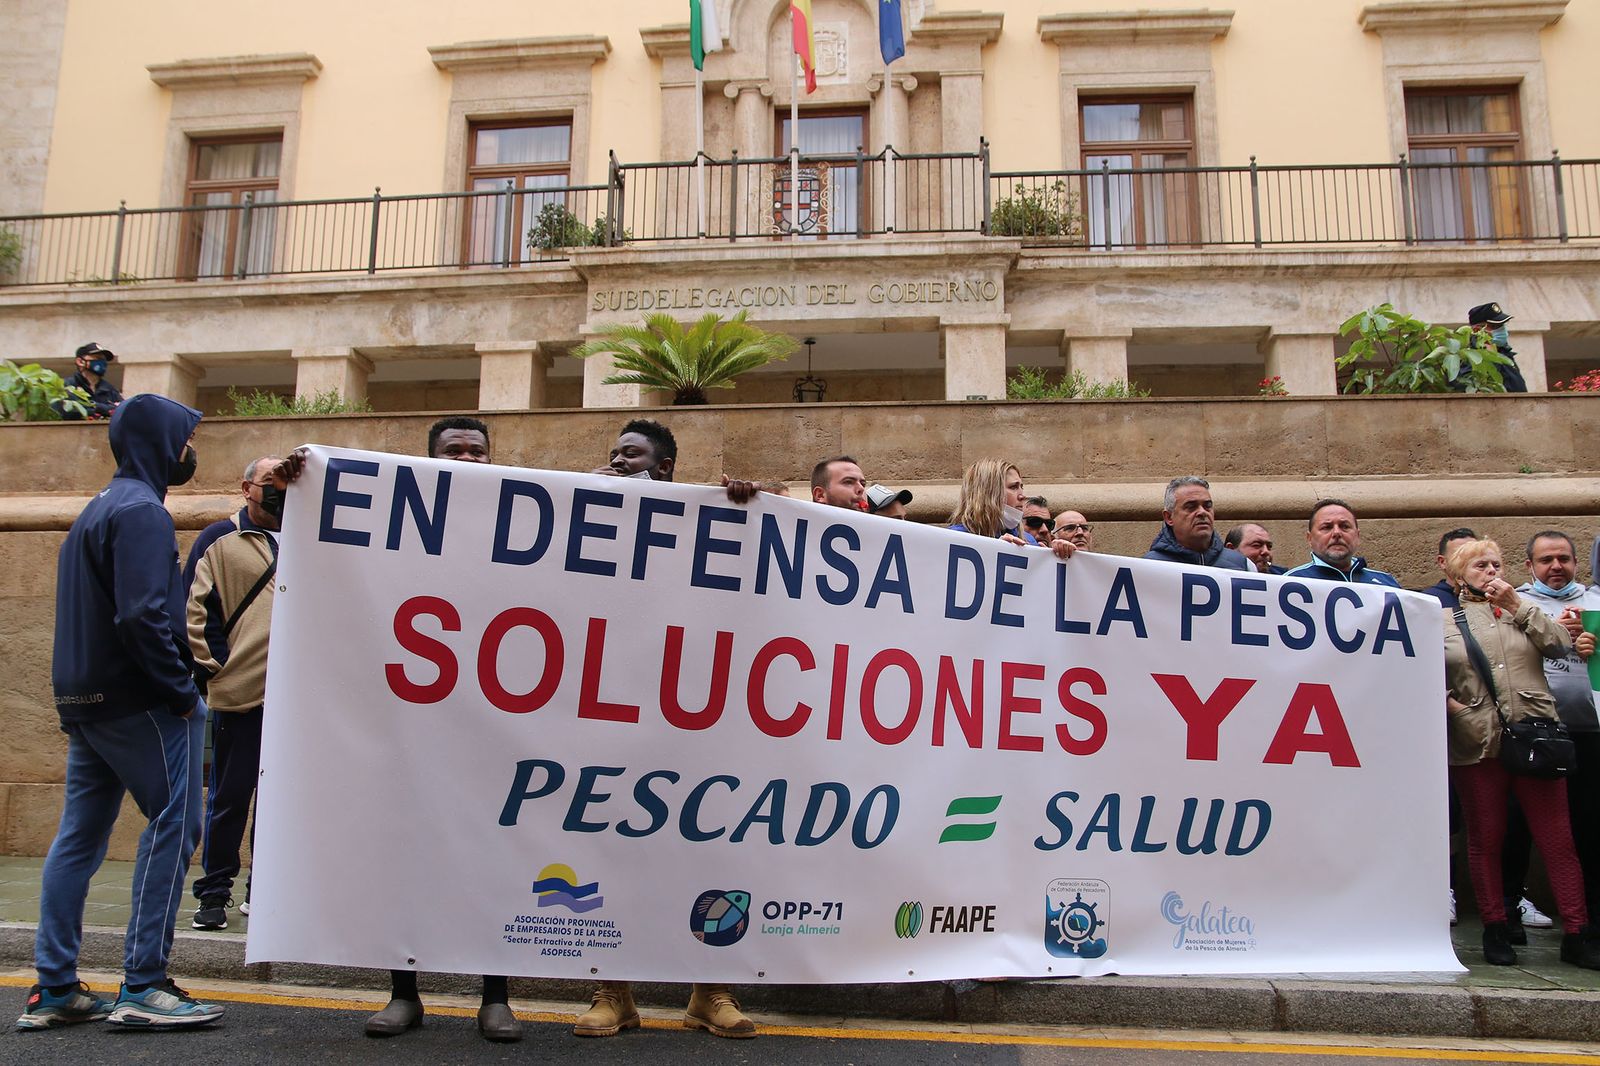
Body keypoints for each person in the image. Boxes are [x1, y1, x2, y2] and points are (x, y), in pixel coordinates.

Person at [18, 394, 223, 1030]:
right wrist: (181, 693)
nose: (190, 451)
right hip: (142, 701)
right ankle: (144, 984)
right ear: (161, 443)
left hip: (86, 700)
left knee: (79, 837)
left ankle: (55, 987)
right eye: (185, 439)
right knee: (174, 825)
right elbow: (141, 615)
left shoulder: (99, 508)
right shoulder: (143, 512)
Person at [574, 417, 759, 1040]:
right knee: (614, 851)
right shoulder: (589, 515)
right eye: (613, 454)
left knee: (712, 851)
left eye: (632, 455)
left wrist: (751, 504)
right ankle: (614, 991)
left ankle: (711, 991)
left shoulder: (709, 522)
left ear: (667, 469)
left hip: (698, 722)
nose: (618, 463)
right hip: (618, 716)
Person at [1443, 538, 1599, 968]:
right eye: (1480, 565)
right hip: (1479, 742)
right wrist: (1455, 709)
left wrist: (1517, 604)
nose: (1491, 572)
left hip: (1537, 737)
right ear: (1458, 575)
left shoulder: (1522, 609)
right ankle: (1495, 927)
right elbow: (1420, 674)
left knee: (1557, 839)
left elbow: (1559, 645)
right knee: (1486, 838)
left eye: (1496, 564)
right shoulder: (1442, 621)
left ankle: (1578, 932)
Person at [183, 456, 282, 933]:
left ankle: (262, 891)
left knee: (279, 802)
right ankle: (213, 893)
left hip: (296, 701)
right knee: (230, 797)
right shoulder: (219, 538)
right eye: (269, 482)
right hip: (242, 696)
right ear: (247, 488)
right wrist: (218, 670)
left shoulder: (312, 538)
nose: (279, 491)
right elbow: (194, 611)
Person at [1515, 532, 1600, 924]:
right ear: (1529, 565)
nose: (1556, 567)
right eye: (1546, 560)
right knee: (1523, 826)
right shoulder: (1517, 603)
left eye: (1564, 559)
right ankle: (1516, 904)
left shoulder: (1595, 601)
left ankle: (1590, 916)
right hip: (1539, 732)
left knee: (1590, 825)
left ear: (1576, 563)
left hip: (1592, 733)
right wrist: (1552, 632)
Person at [949, 460, 1074, 559]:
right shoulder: (954, 539)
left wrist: (1059, 555)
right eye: (1013, 487)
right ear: (988, 493)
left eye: (1021, 487)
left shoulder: (1028, 541)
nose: (1022, 496)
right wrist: (993, 551)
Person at [1283, 499, 1399, 586]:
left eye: (1345, 526)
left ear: (1357, 536)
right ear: (1310, 538)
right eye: (1327, 527)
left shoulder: (1387, 583)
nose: (1337, 533)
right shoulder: (1290, 583)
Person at [1142, 477, 1249, 570]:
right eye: (1191, 507)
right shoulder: (1149, 567)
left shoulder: (1242, 565)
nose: (1202, 512)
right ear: (1169, 517)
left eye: (1207, 506)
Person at [1467, 302, 1528, 393]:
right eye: (1495, 326)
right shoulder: (1470, 357)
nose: (1502, 330)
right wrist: (1490, 356)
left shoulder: (1504, 352)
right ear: (1477, 330)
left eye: (1502, 325)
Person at [55, 342, 124, 420]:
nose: (102, 362)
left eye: (104, 360)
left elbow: (122, 410)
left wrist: (94, 406)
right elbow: (71, 410)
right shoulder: (67, 385)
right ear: (80, 362)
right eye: (97, 358)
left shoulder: (110, 390)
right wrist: (105, 409)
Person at [1417, 528, 1478, 608]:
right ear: (1442, 562)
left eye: (1475, 555)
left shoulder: (1491, 596)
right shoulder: (1428, 601)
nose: (1470, 560)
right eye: (1460, 555)